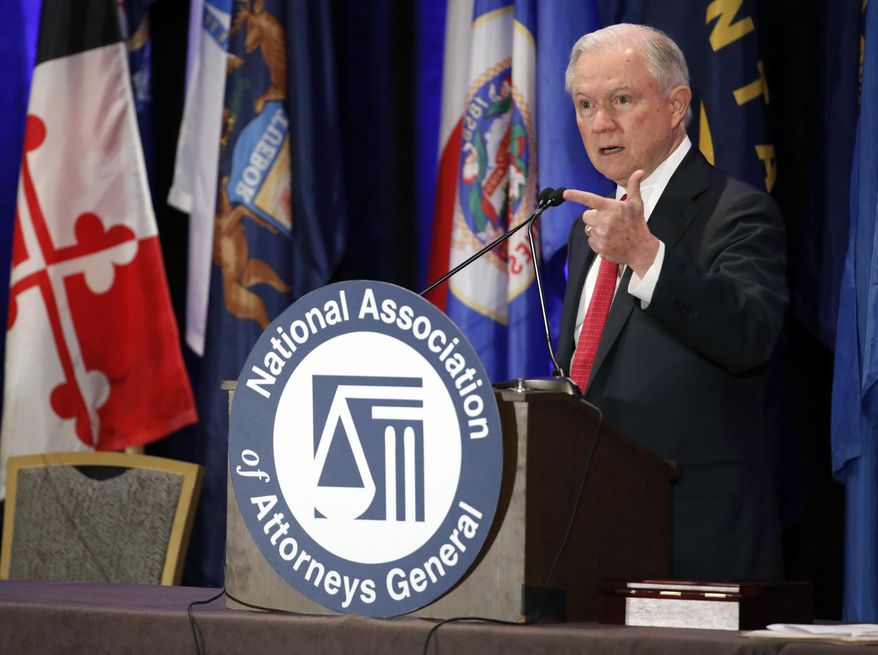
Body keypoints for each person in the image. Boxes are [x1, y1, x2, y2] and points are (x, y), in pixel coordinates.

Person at [556, 23, 787, 581]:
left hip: (694, 539)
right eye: (585, 105)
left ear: (676, 105)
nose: (600, 123)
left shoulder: (736, 213)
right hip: (588, 533)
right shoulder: (592, 234)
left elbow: (748, 335)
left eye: (621, 100)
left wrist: (648, 258)